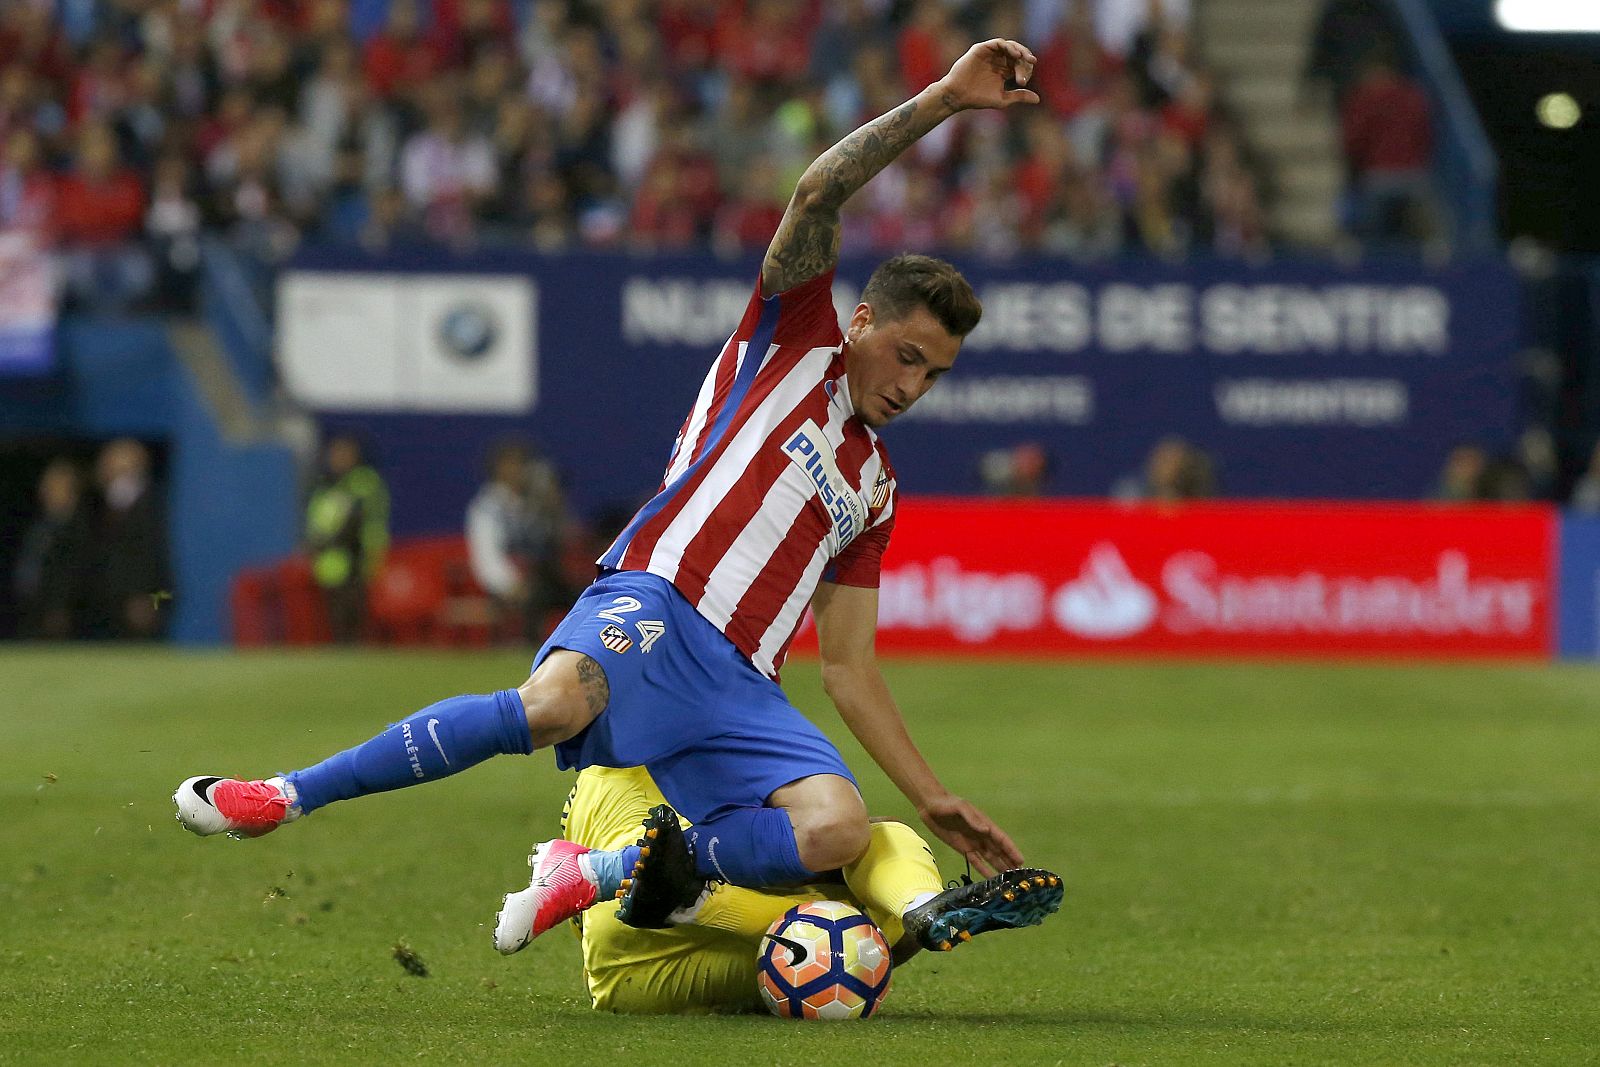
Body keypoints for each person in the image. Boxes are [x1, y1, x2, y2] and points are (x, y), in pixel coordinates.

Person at [176, 38, 1054, 953]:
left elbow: (849, 666)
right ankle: (281, 795)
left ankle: (593, 870)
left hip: (743, 684)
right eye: (907, 356)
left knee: (834, 827)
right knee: (555, 702)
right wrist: (944, 102)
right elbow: (818, 194)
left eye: (935, 375)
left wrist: (934, 796)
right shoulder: (793, 344)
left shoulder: (875, 487)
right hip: (657, 595)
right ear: (863, 321)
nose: (912, 386)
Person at [558, 765, 1062, 1014]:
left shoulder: (610, 759)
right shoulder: (718, 731)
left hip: (627, 977)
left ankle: (694, 901)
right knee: (865, 867)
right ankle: (918, 901)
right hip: (671, 924)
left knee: (822, 873)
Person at [465, 440, 573, 641]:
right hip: (507, 585)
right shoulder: (488, 507)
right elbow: (487, 557)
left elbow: (555, 543)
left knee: (583, 597)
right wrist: (511, 585)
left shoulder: (534, 503)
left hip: (544, 578)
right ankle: (526, 652)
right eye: (511, 464)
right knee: (535, 598)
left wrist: (553, 508)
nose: (517, 470)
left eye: (522, 464)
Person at [304, 433, 389, 643]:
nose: (338, 458)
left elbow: (368, 519)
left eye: (344, 453)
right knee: (335, 616)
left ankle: (357, 656)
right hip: (329, 560)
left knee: (355, 614)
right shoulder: (324, 484)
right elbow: (317, 519)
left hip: (357, 556)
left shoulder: (363, 481)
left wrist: (369, 550)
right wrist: (317, 543)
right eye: (335, 453)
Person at [88, 438, 170, 640]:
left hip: (140, 596)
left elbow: (148, 551)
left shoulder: (146, 503)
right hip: (111, 595)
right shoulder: (109, 500)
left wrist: (143, 596)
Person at [13, 458, 91, 640]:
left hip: (61, 613)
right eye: (46, 485)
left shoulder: (79, 528)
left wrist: (59, 608)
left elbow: (74, 572)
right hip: (29, 606)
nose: (47, 491)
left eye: (54, 486)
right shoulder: (39, 524)